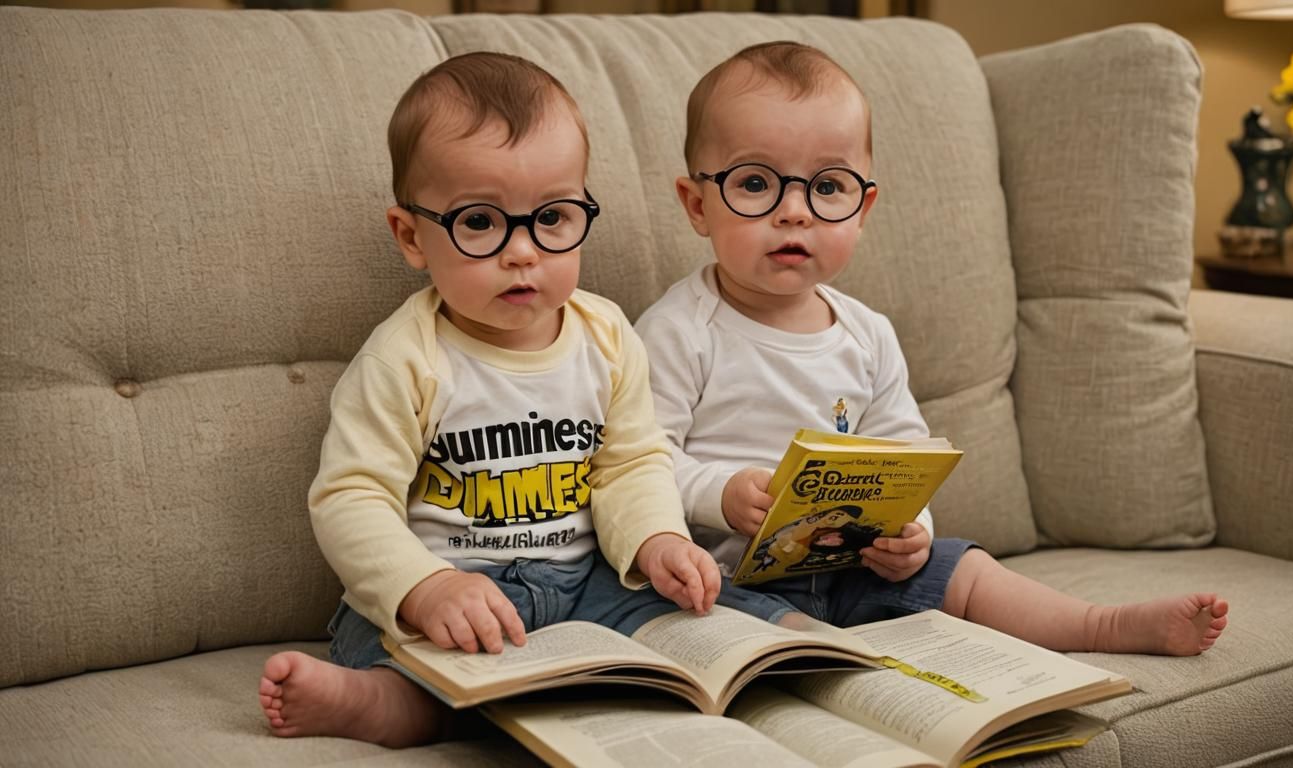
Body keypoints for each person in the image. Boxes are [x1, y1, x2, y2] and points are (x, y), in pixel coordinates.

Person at [257, 52, 800, 748]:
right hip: (458, 582)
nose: (522, 251)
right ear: (411, 236)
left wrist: (657, 538)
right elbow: (351, 497)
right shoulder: (406, 358)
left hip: (584, 578)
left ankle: (793, 646)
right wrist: (423, 588)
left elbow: (631, 465)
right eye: (481, 222)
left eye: (552, 217)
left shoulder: (606, 337)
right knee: (422, 659)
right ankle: (378, 702)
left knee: (704, 613)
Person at [636, 41, 1229, 657]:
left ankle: (1100, 626)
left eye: (828, 186)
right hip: (726, 577)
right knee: (696, 608)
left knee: (964, 568)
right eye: (756, 183)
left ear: (862, 209)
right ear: (697, 205)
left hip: (850, 570)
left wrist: (911, 532)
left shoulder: (867, 334)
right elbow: (638, 463)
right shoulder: (680, 330)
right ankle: (812, 654)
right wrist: (720, 494)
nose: (794, 212)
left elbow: (904, 460)